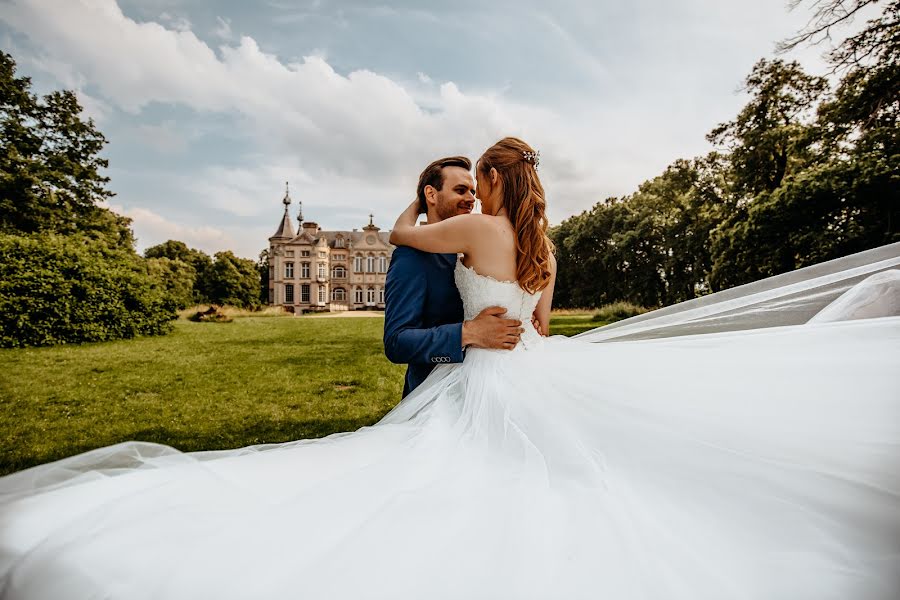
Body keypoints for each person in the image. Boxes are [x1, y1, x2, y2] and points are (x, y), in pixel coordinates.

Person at [0, 138, 898, 600]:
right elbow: (532, 325)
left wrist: (433, 239)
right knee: (573, 480)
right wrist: (480, 334)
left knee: (484, 488)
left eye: (476, 185)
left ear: (491, 189)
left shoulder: (460, 231)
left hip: (488, 380)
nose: (468, 197)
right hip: (520, 370)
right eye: (453, 187)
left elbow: (400, 239)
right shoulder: (541, 247)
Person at [383, 156, 524, 398]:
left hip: (496, 390)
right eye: (460, 190)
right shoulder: (411, 256)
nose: (471, 199)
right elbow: (397, 342)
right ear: (431, 195)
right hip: (435, 399)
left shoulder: (481, 246)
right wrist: (468, 333)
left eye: (472, 190)